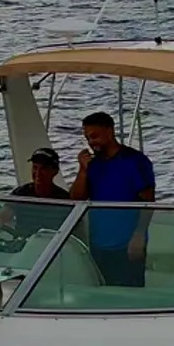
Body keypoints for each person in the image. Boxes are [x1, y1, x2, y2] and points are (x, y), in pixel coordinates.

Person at [70, 112, 155, 286]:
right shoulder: (93, 164)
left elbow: (148, 202)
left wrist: (139, 236)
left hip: (127, 244)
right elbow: (76, 199)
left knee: (128, 291)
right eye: (87, 138)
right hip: (98, 244)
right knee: (102, 289)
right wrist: (83, 170)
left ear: (109, 132)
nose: (91, 142)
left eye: (94, 136)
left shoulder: (135, 161)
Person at [0, 148, 71, 243]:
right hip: (23, 244)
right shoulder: (21, 193)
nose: (38, 173)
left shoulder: (64, 199)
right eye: (35, 167)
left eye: (44, 168)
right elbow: (3, 216)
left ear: (55, 171)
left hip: (52, 246)